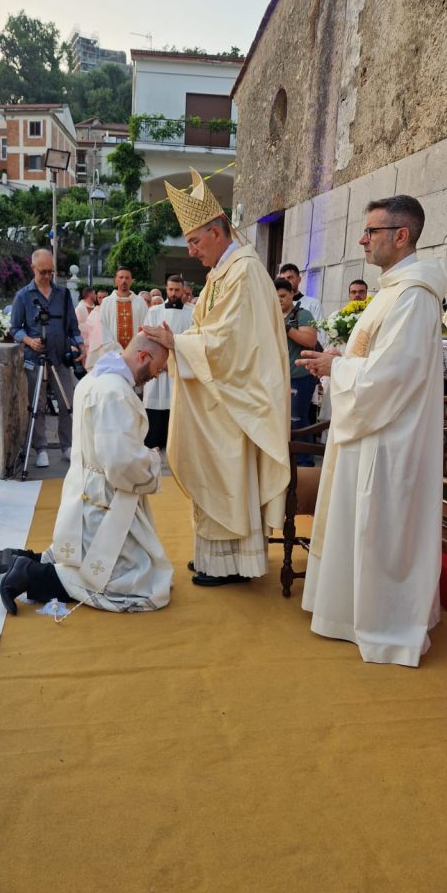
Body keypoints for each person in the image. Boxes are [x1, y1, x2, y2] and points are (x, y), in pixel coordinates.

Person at [296, 194, 447, 668]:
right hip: (370, 428)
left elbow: (390, 378)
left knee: (376, 526)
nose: (362, 239)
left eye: (372, 231)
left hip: (389, 437)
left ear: (400, 236)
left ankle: (385, 624)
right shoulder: (393, 289)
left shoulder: (414, 296)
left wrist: (333, 370)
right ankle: (348, 610)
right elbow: (375, 362)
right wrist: (338, 364)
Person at [143, 167, 290, 587]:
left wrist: (178, 345)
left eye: (193, 241)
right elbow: (210, 333)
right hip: (217, 397)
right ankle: (215, 557)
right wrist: (178, 341)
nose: (190, 252)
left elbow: (231, 345)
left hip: (234, 401)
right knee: (214, 475)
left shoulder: (243, 273)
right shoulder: (220, 276)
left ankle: (233, 563)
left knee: (228, 473)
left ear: (217, 231)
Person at [0, 334, 173, 614]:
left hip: (86, 488)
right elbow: (121, 462)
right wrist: (152, 461)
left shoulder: (95, 376)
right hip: (107, 498)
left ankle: (22, 558)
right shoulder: (116, 392)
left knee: (86, 557)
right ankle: (30, 574)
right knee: (134, 584)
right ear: (143, 356)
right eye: (158, 367)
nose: (157, 375)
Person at [10, 249, 82, 468]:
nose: (47, 276)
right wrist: (30, 341)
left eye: (50, 272)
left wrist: (79, 345)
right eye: (43, 272)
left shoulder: (62, 294)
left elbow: (72, 325)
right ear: (33, 269)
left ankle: (67, 446)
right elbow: (14, 329)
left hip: (60, 357)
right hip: (35, 358)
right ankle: (40, 448)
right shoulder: (23, 295)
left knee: (67, 401)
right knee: (37, 405)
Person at [143, 274, 194, 449]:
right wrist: (159, 363)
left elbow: (193, 342)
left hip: (179, 369)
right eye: (170, 289)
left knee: (176, 405)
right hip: (157, 369)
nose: (173, 293)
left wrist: (172, 362)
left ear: (183, 291)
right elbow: (147, 339)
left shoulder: (192, 313)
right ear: (166, 289)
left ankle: (175, 445)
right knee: (155, 403)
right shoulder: (154, 312)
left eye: (177, 290)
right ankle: (153, 442)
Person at [275, 278, 317, 464]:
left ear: (292, 293)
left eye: (283, 296)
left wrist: (286, 328)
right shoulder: (270, 315)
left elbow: (310, 341)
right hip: (277, 378)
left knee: (297, 421)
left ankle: (305, 464)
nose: (279, 300)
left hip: (299, 377)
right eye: (275, 297)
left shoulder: (303, 314)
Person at [85, 267, 147, 369]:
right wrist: (119, 352)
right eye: (121, 277)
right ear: (115, 280)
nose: (124, 281)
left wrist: (134, 351)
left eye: (127, 278)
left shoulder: (140, 302)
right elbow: (104, 330)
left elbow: (145, 328)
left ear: (131, 281)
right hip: (113, 356)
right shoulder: (107, 302)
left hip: (135, 356)